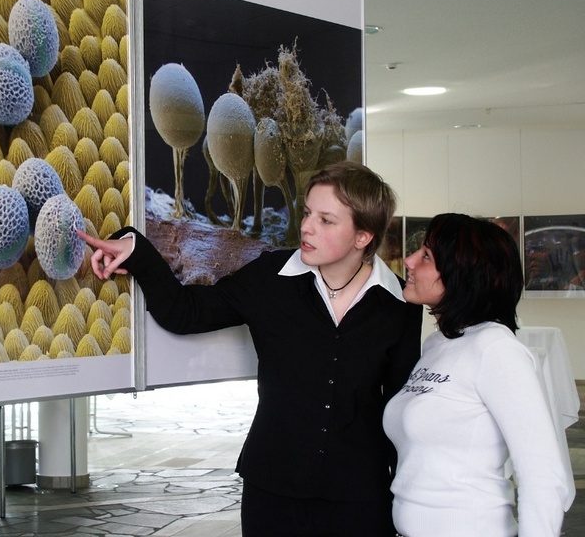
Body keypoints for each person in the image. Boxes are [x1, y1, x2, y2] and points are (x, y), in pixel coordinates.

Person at [79, 161, 423, 537]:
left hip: (360, 496)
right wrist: (136, 250)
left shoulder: (399, 305)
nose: (306, 227)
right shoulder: (272, 278)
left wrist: (406, 502)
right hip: (272, 490)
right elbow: (186, 313)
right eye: (308, 213)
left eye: (326, 220)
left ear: (363, 237)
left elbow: (399, 408)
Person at [383, 213, 571, 537]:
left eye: (426, 256)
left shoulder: (496, 350)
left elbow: (543, 476)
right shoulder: (439, 343)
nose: (410, 261)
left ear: (462, 275)